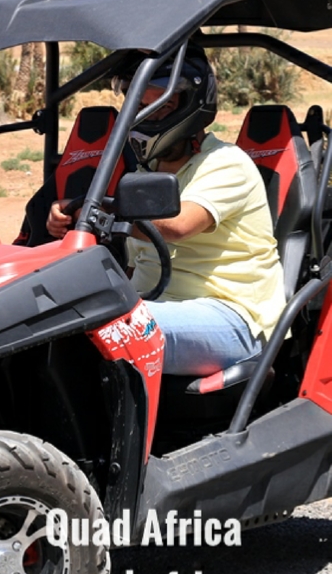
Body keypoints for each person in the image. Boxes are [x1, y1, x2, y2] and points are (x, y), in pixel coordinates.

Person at [47, 46, 287, 377]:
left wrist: (97, 212)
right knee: (46, 316)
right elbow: (136, 261)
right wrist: (71, 217)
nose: (147, 117)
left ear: (189, 105)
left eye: (161, 106)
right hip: (155, 305)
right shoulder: (148, 174)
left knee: (106, 328)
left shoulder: (226, 163)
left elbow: (177, 225)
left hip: (233, 317)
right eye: (141, 106)